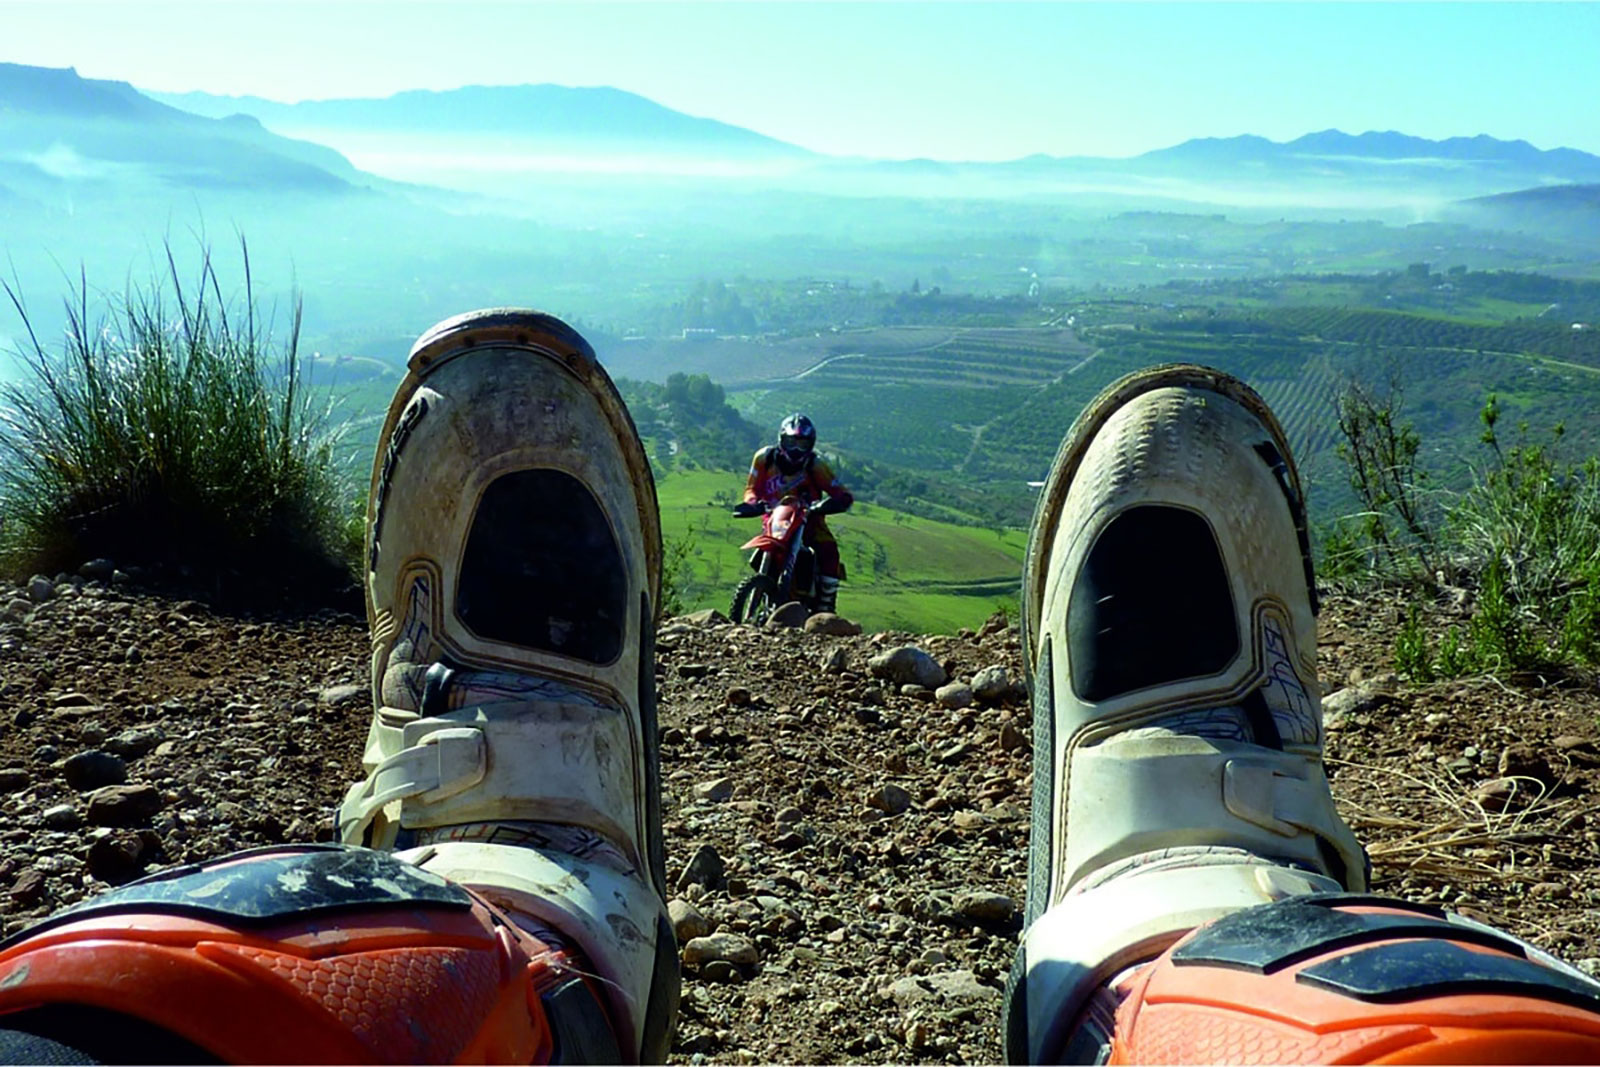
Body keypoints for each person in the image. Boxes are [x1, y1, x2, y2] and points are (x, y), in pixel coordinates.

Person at [0, 311, 1596, 1064]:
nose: (799, 468)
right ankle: (1179, 948)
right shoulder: (773, 462)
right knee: (1454, 1041)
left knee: (191, 1006)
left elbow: (805, 497)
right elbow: (778, 484)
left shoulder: (809, 477)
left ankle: (521, 920)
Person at [732, 413, 854, 615]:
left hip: (809, 520)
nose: (796, 449)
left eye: (802, 444)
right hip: (775, 518)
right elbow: (751, 488)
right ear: (781, 440)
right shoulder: (765, 458)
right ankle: (763, 594)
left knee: (828, 550)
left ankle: (826, 604)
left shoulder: (815, 466)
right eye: (791, 442)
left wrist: (830, 504)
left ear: (811, 444)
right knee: (763, 552)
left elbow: (840, 492)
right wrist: (752, 503)